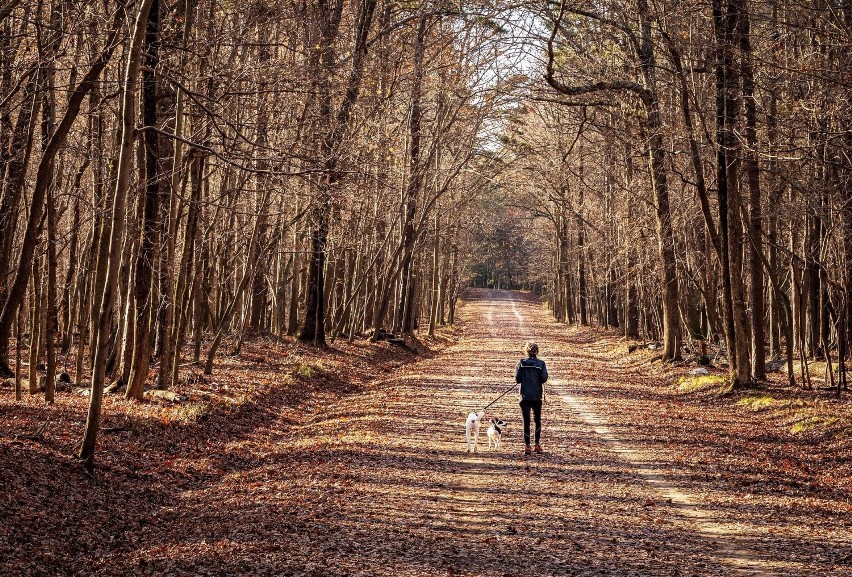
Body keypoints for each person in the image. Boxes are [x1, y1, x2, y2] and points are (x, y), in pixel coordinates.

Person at [515, 341, 548, 455]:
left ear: (526, 351)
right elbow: (544, 378)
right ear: (537, 351)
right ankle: (537, 445)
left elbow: (517, 379)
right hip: (536, 396)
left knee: (526, 421)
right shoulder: (541, 364)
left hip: (524, 396)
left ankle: (527, 446)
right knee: (537, 420)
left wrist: (525, 378)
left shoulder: (521, 363)